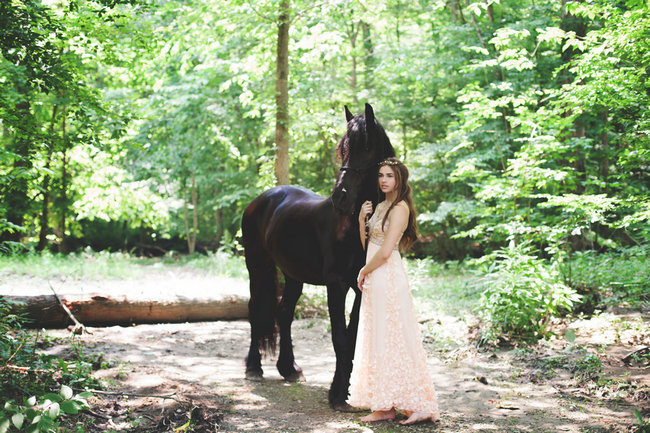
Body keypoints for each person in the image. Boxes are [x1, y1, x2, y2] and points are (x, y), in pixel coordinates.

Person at [348, 157, 440, 425]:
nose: (383, 180)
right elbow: (369, 244)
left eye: (389, 175)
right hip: (375, 273)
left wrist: (364, 271)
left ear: (400, 179)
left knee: (397, 338)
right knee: (378, 337)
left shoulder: (400, 208)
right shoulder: (380, 206)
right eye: (380, 175)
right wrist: (361, 220)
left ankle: (421, 405)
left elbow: (387, 252)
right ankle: (384, 404)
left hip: (387, 276)